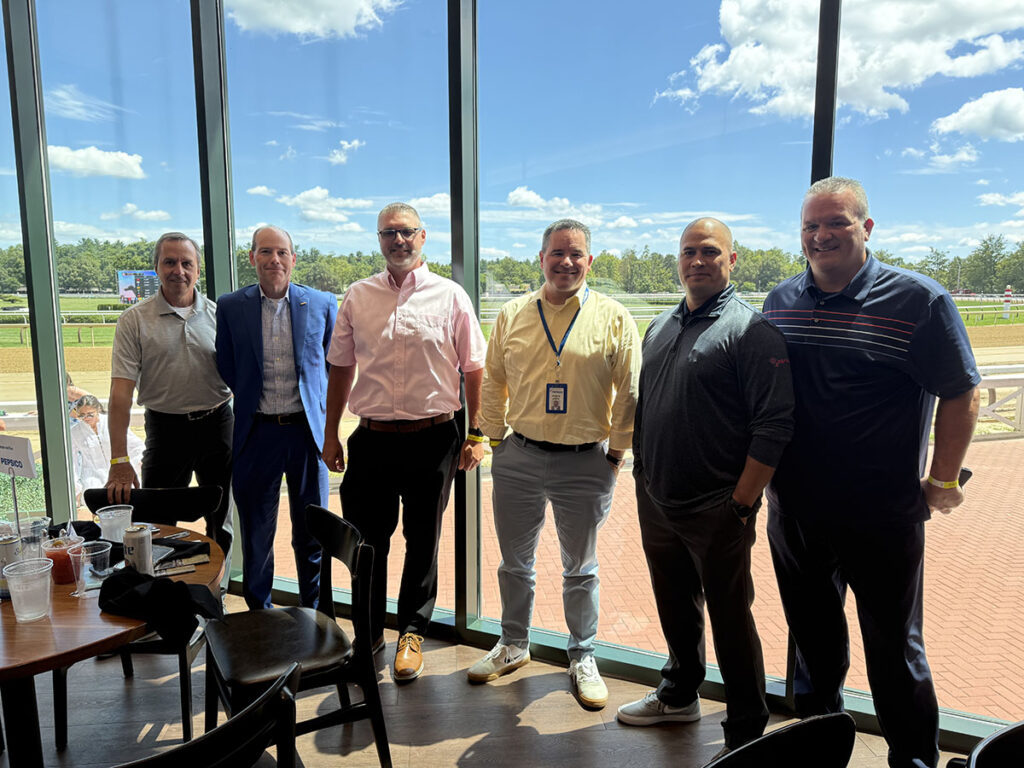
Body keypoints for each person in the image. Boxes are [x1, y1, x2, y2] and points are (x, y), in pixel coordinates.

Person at [762, 177, 980, 768]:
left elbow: (961, 393)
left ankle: (913, 762)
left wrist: (942, 481)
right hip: (795, 511)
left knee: (894, 650)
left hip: (881, 516)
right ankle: (818, 752)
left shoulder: (919, 300)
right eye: (810, 225)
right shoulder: (780, 300)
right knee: (813, 647)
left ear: (867, 227)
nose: (821, 235)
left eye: (836, 222)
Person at [616, 219, 794, 758]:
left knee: (730, 619)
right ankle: (679, 693)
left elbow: (774, 427)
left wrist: (740, 504)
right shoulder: (661, 325)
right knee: (675, 603)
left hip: (718, 508)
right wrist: (643, 475)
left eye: (710, 251)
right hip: (658, 498)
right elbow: (648, 406)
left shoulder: (751, 331)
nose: (697, 260)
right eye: (689, 251)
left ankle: (745, 732)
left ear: (732, 260)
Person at [468, 218, 641, 710]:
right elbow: (494, 379)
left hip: (586, 461)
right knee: (514, 564)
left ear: (590, 261)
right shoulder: (512, 314)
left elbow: (630, 391)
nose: (566, 262)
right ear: (541, 258)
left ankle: (583, 655)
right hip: (519, 457)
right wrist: (496, 441)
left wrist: (616, 453)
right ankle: (513, 644)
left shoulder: (614, 317)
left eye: (576, 254)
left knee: (581, 568)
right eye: (557, 253)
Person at [323, 202, 487, 682]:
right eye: (388, 233)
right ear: (378, 239)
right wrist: (331, 433)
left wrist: (475, 432)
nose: (398, 240)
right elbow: (341, 368)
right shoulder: (359, 296)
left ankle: (412, 633)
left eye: (407, 232)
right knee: (367, 544)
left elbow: (474, 368)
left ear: (423, 236)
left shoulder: (450, 296)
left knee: (422, 541)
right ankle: (369, 633)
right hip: (371, 439)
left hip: (434, 439)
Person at [216, 225, 337, 610]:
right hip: (257, 434)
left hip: (306, 435)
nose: (274, 260)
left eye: (282, 252)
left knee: (312, 532)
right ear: (252, 257)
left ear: (293, 259)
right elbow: (227, 364)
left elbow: (332, 365)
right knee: (257, 534)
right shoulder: (231, 306)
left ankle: (315, 615)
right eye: (266, 252)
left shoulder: (321, 303)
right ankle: (259, 614)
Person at [106, 232, 234, 584]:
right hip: (165, 431)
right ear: (157, 268)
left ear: (198, 269)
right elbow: (120, 394)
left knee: (221, 520)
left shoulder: (219, 316)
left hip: (218, 424)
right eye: (170, 262)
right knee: (157, 522)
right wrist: (119, 459)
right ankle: (160, 595)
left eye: (186, 263)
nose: (179, 270)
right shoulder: (134, 320)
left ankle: (216, 594)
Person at [70, 394, 144, 510]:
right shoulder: (75, 432)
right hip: (92, 476)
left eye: (90, 414)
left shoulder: (112, 423)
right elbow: (72, 461)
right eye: (82, 415)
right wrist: (76, 488)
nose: (86, 418)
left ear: (98, 409)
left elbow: (135, 445)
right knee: (98, 502)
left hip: (118, 471)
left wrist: (136, 463)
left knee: (129, 497)